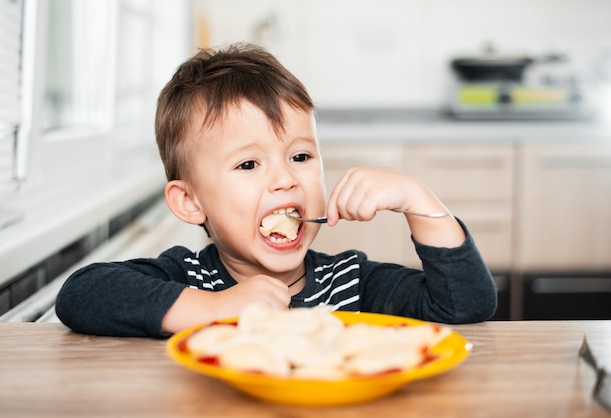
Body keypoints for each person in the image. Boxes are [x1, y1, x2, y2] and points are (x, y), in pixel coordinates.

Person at [55, 43, 497, 338]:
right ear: (190, 203)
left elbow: (466, 306)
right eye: (248, 164)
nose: (285, 179)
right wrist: (216, 309)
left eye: (300, 157)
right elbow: (81, 293)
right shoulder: (190, 280)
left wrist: (419, 202)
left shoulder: (352, 285)